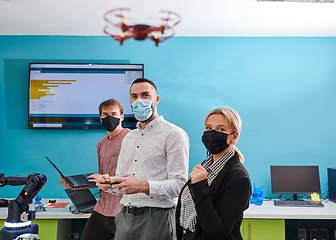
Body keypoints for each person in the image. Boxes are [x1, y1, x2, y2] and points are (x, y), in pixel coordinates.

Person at [92, 78, 190, 240]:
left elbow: (180, 185)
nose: (139, 101)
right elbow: (122, 183)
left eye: (145, 95)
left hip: (156, 218)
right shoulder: (129, 137)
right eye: (134, 96)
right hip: (124, 218)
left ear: (156, 99)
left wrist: (143, 186)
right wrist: (108, 183)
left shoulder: (174, 134)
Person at [176, 107, 251, 240]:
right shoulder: (205, 166)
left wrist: (199, 186)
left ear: (234, 137)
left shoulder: (239, 178)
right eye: (208, 128)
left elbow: (218, 232)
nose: (212, 134)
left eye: (221, 129)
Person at [60, 98, 131, 240]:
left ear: (122, 117)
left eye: (114, 114)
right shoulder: (101, 144)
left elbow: (132, 177)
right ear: (100, 118)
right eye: (105, 114)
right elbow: (102, 179)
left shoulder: (131, 139)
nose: (109, 117)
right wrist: (76, 186)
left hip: (123, 212)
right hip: (101, 211)